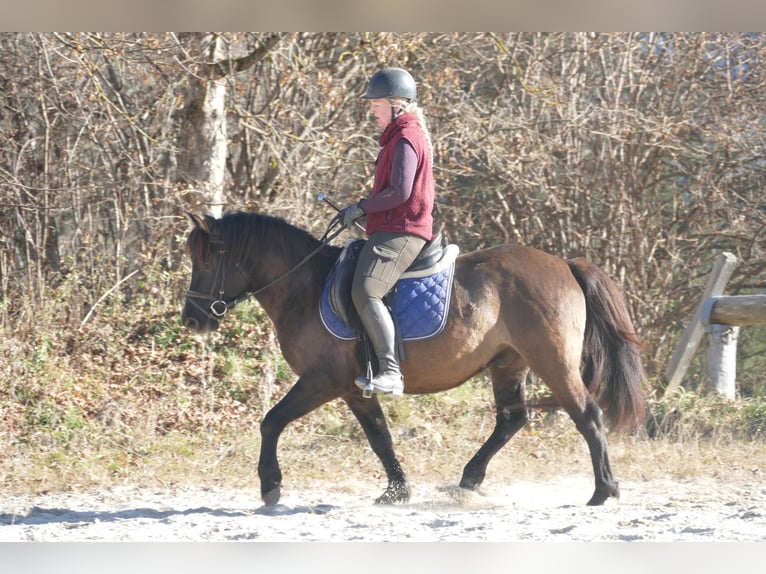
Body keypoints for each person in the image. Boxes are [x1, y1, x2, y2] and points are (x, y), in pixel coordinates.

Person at [340, 67, 436, 397]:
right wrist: (363, 214)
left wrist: (363, 207)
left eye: (376, 104)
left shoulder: (407, 138)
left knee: (366, 290)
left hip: (404, 231)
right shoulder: (399, 137)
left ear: (397, 103)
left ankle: (391, 372)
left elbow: (400, 193)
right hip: (392, 227)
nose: (371, 110)